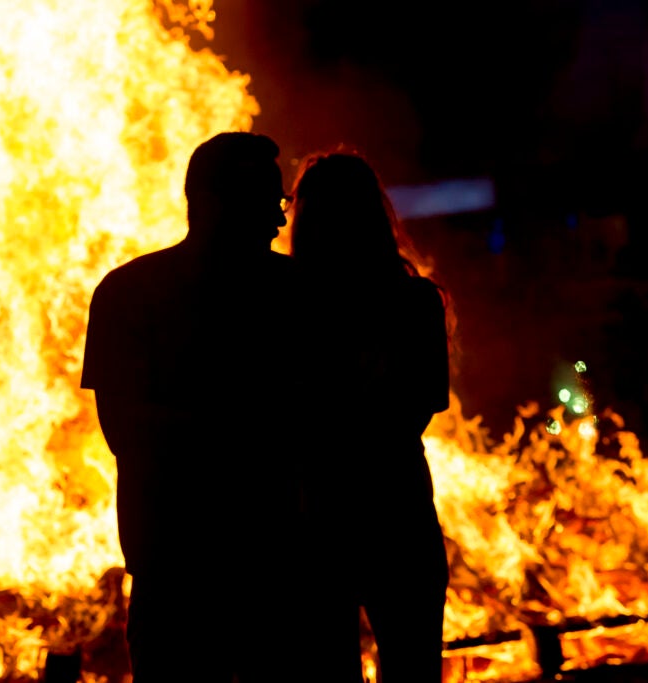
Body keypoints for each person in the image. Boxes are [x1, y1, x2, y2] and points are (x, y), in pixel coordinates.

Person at [81, 132, 307, 683]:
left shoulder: (298, 292)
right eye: (269, 203)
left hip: (248, 570)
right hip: (198, 571)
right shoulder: (130, 294)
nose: (280, 222)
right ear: (217, 200)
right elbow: (125, 430)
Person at [288, 149, 452, 682]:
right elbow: (422, 404)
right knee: (412, 668)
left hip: (315, 518)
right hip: (398, 510)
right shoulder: (416, 301)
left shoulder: (282, 303)